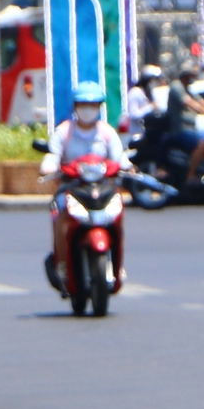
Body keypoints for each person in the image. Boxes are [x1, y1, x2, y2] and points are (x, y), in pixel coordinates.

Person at [41, 81, 131, 293]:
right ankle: (63, 265)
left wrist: (129, 167)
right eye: (83, 104)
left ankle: (117, 266)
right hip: (72, 188)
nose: (88, 109)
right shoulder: (64, 132)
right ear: (75, 106)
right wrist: (49, 166)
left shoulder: (107, 133)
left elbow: (120, 158)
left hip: (104, 188)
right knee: (61, 216)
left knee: (119, 215)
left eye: (93, 105)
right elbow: (52, 156)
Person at [163, 61, 204, 180]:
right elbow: (191, 104)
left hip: (190, 129)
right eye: (190, 75)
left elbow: (202, 102)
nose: (192, 78)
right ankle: (190, 176)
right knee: (202, 144)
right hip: (180, 129)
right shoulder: (177, 86)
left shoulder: (188, 89)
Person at [124, 65, 163, 145]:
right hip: (136, 135)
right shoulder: (135, 93)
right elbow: (133, 114)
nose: (155, 82)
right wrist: (151, 107)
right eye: (153, 80)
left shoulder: (151, 94)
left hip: (149, 134)